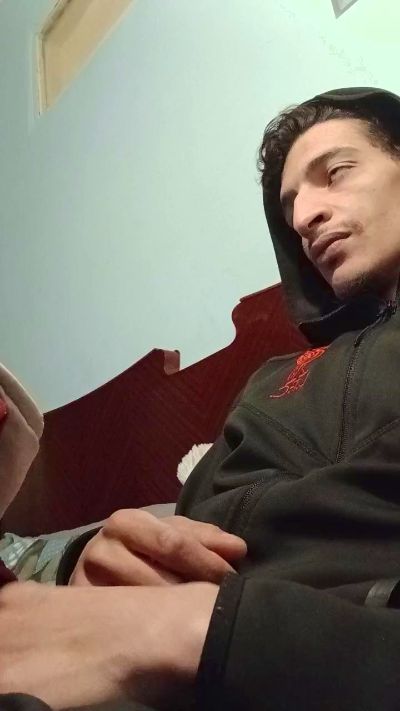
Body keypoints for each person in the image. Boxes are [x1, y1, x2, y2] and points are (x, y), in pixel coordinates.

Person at [3, 85, 400, 710]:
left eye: (336, 173)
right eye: (290, 207)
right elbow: (192, 527)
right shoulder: (274, 379)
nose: (304, 217)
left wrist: (205, 632)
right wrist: (93, 565)